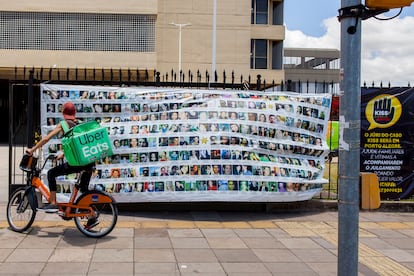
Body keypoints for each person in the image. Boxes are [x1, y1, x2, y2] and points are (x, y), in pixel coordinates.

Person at [25, 102, 98, 228]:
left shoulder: (64, 124)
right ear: (74, 113)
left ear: (63, 113)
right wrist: (63, 154)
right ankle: (92, 216)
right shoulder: (80, 124)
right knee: (83, 190)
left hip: (78, 163)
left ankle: (53, 202)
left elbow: (47, 138)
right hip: (89, 161)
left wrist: (32, 150)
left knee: (51, 173)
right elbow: (78, 144)